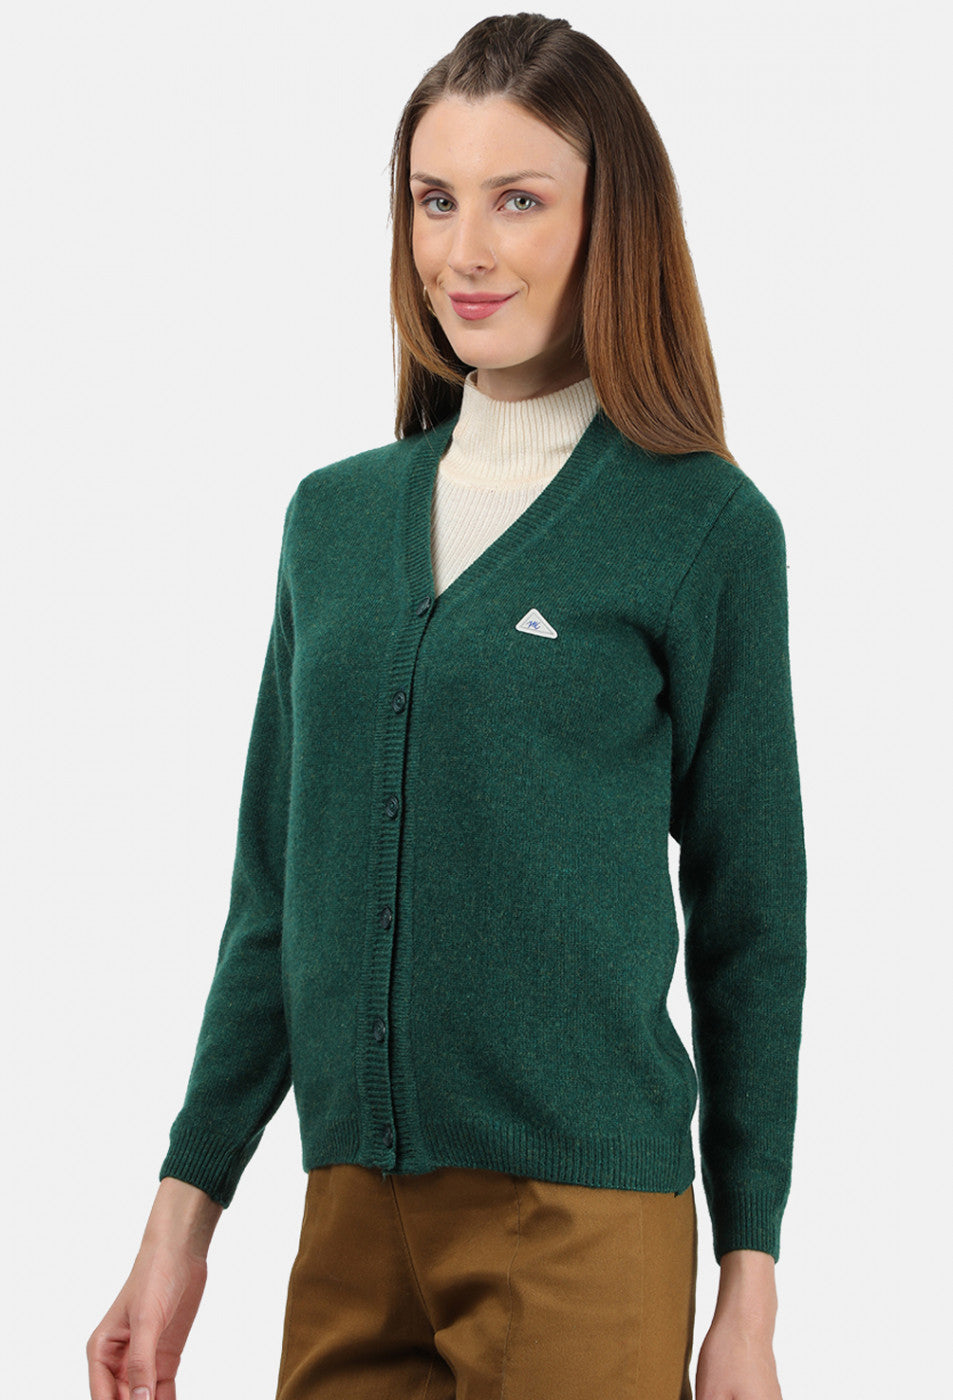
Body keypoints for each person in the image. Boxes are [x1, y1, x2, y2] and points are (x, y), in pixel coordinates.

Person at [87, 13, 806, 1400]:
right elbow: (274, 896)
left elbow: (751, 924)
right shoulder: (332, 520)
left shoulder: (703, 527)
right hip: (351, 1218)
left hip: (581, 1225)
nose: (463, 251)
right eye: (435, 200)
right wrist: (182, 1220)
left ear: (610, 224)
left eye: (517, 200)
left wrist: (748, 1293)